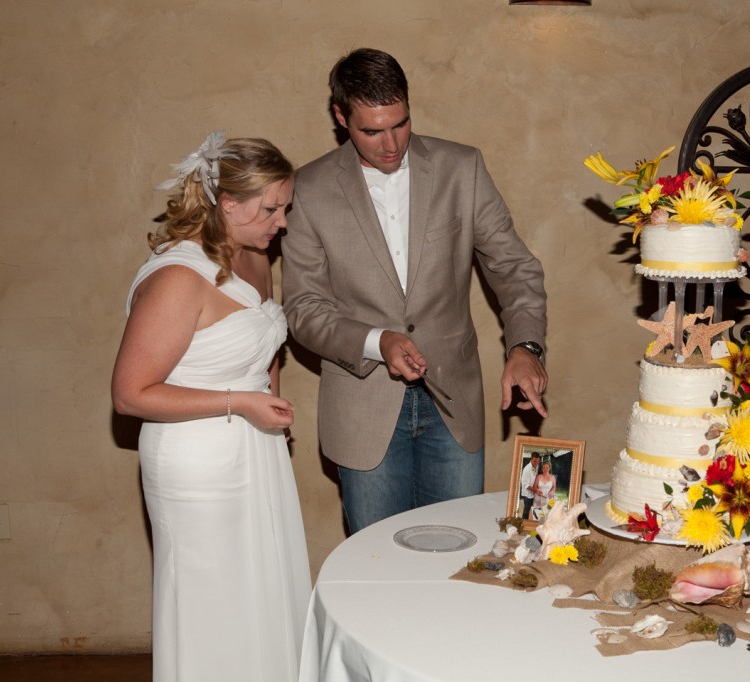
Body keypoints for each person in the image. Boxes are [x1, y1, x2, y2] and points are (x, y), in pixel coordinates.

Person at [282, 48, 548, 534]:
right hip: (362, 412)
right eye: (372, 131)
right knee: (376, 562)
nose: (391, 144)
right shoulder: (309, 188)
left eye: (400, 124)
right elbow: (303, 309)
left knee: (459, 556)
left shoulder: (461, 167)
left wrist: (525, 347)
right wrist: (376, 342)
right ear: (341, 117)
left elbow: (515, 267)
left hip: (454, 405)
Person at [112, 133, 311, 681]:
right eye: (271, 209)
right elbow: (130, 394)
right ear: (228, 204)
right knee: (213, 604)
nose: (282, 222)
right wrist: (240, 402)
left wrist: (266, 399)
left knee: (260, 592)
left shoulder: (255, 257)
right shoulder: (178, 278)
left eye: (285, 207)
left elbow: (262, 343)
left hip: (256, 448)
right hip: (196, 464)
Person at [519, 453, 540, 519]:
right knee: (526, 511)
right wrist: (536, 490)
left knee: (532, 509)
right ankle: (523, 523)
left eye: (538, 461)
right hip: (527, 494)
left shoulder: (537, 466)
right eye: (534, 461)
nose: (536, 463)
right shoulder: (526, 469)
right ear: (531, 459)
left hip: (533, 491)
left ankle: (531, 520)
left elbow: (535, 477)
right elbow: (526, 485)